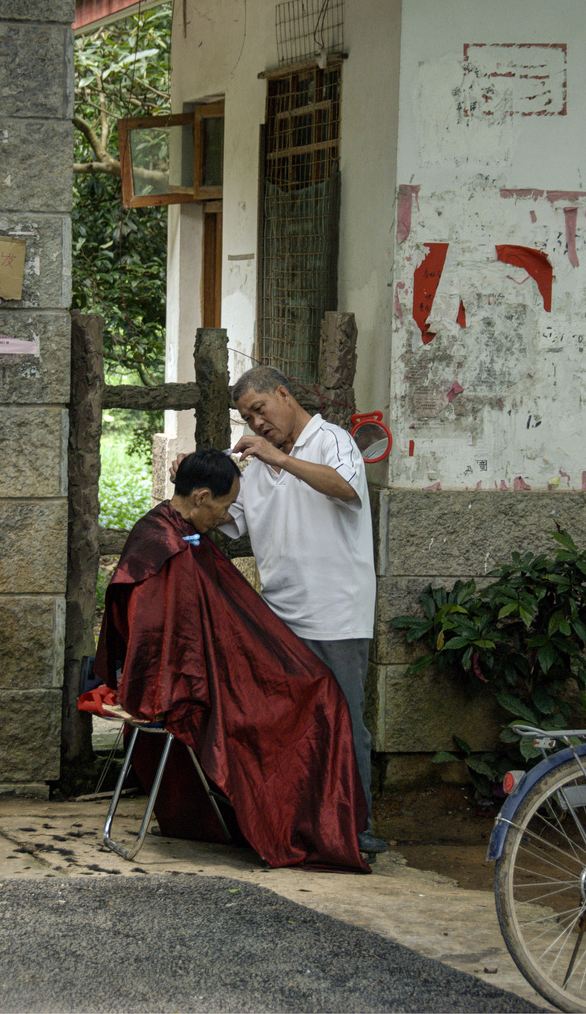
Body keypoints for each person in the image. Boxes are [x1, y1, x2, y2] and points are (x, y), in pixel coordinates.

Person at [94, 448, 369, 872]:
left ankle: (312, 823)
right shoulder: (169, 548)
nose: (226, 518)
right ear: (202, 497)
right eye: (224, 507)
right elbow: (174, 648)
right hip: (183, 688)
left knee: (316, 687)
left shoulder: (168, 532)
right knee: (317, 699)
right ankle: (302, 827)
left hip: (195, 674)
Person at [196, 366, 385, 856]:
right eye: (247, 417)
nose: (256, 423)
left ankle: (356, 826)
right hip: (278, 617)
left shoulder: (333, 441)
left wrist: (281, 457)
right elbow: (224, 521)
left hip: (337, 612)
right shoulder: (256, 468)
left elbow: (346, 487)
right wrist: (195, 490)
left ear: (284, 394)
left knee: (345, 720)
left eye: (260, 409)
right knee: (286, 722)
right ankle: (298, 822)